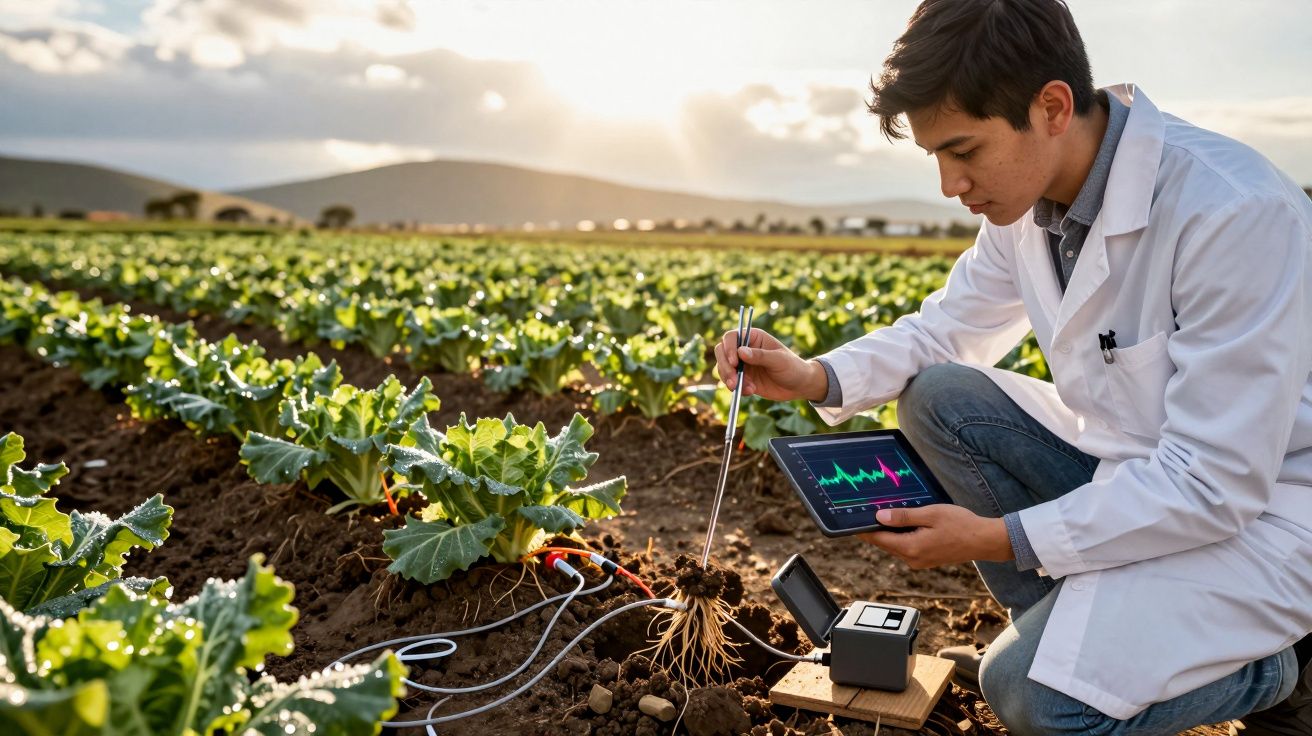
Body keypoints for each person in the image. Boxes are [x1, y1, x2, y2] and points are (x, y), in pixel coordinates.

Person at [712, 1, 1312, 734]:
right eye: (936, 157)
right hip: (1136, 471)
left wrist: (998, 537)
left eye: (964, 151)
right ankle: (1065, 632)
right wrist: (814, 376)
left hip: (1261, 517)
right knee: (939, 398)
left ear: (1052, 106)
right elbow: (946, 331)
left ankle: (1276, 671)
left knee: (1032, 698)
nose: (949, 184)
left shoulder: (1231, 212)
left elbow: (1214, 483)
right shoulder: (1030, 204)